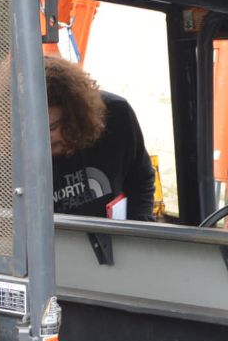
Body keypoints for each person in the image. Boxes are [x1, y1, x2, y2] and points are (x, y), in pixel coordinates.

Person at [44, 55, 155, 220]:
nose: (46, 138)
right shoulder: (5, 153)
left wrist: (138, 236)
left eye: (53, 127)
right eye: (33, 131)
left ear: (75, 115)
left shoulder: (115, 115)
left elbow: (140, 180)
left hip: (114, 238)